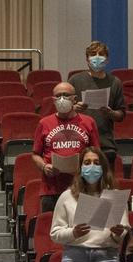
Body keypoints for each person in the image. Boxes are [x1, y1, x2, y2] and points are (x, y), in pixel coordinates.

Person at [50, 147, 127, 262]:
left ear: (103, 168)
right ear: (80, 168)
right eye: (87, 163)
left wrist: (119, 233)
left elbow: (125, 231)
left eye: (96, 163)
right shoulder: (67, 196)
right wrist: (73, 232)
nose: (92, 166)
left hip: (107, 257)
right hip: (75, 258)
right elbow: (55, 232)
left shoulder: (114, 196)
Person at [32, 81, 101, 212]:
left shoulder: (88, 122)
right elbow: (35, 154)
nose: (61, 99)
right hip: (51, 189)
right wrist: (44, 166)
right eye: (58, 96)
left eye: (66, 95)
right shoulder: (44, 123)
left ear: (75, 99)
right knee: (53, 229)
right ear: (53, 100)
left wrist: (86, 166)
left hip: (82, 187)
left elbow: (96, 152)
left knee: (82, 228)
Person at [70, 40, 126, 166]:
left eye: (101, 54)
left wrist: (111, 113)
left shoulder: (115, 82)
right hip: (78, 142)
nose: (97, 57)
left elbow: (121, 114)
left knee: (105, 184)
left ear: (107, 59)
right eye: (93, 54)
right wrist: (74, 108)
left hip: (105, 143)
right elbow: (63, 110)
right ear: (87, 59)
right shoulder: (75, 80)